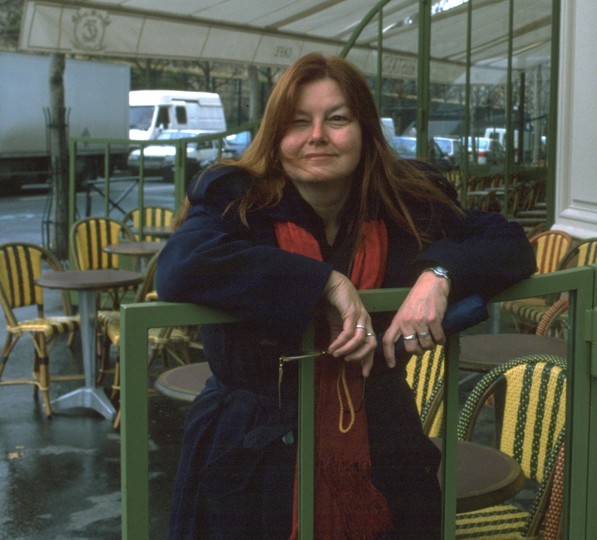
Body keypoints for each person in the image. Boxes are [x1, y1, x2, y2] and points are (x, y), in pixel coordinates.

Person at [155, 52, 536, 539]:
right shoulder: (238, 199)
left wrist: (439, 273)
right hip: (252, 453)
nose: (317, 136)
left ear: (365, 129)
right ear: (276, 135)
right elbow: (182, 265)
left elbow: (509, 243)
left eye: (337, 119)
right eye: (298, 123)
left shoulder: (405, 202)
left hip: (381, 438)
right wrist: (325, 282)